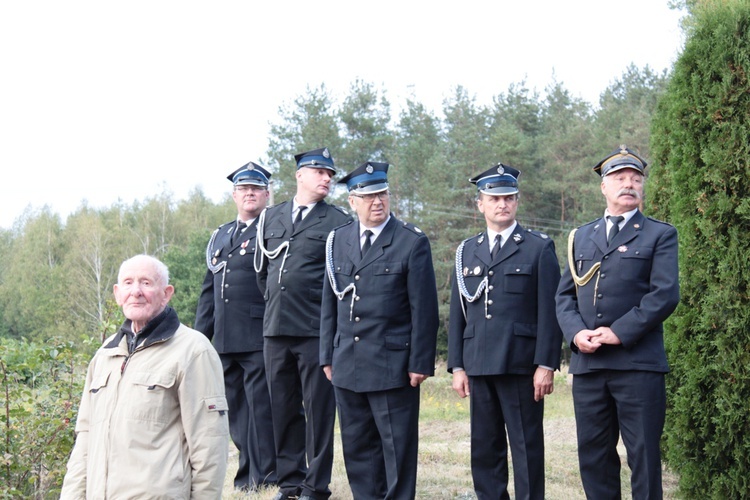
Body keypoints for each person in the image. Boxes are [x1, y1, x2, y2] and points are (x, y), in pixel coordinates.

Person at [556, 145, 680, 499]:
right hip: (589, 365)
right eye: (620, 178)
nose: (629, 184)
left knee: (642, 456)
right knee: (593, 457)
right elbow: (563, 296)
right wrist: (576, 333)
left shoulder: (660, 234)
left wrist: (618, 332)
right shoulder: (581, 236)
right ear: (603, 187)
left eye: (636, 179)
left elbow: (665, 294)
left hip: (638, 364)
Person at [61, 255, 228, 499]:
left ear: (166, 293)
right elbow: (85, 440)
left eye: (146, 283)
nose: (136, 291)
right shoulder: (104, 355)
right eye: (128, 283)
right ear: (118, 294)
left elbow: (210, 443)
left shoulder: (193, 350)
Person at [320, 161, 439, 499]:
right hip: (347, 361)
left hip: (392, 364)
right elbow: (330, 301)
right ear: (352, 201)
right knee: (358, 446)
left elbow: (424, 310)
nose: (378, 201)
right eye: (369, 196)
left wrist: (420, 362)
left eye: (383, 194)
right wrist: (326, 354)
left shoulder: (410, 241)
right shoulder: (337, 240)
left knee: (396, 448)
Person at [447, 163, 562, 500]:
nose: (502, 204)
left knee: (526, 448)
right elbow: (459, 313)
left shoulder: (538, 247)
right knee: (484, 448)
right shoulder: (467, 250)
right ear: (480, 204)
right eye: (494, 198)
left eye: (509, 198)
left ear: (517, 202)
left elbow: (550, 312)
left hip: (521, 365)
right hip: (479, 363)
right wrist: (457, 365)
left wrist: (546, 364)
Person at [254, 147, 352, 500]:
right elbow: (262, 275)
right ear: (300, 175)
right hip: (276, 330)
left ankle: (316, 485)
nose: (327, 179)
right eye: (319, 172)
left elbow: (341, 281)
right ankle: (290, 482)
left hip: (315, 331)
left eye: (330, 174)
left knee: (319, 412)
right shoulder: (272, 217)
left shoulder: (338, 222)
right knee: (282, 409)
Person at [194, 161, 276, 491]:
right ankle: (247, 475)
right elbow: (208, 293)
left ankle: (266, 476)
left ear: (267, 194)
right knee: (236, 415)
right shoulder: (221, 235)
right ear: (234, 195)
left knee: (262, 412)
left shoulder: (274, 230)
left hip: (258, 338)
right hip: (225, 342)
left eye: (256, 189)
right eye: (244, 189)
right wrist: (200, 339)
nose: (250, 194)